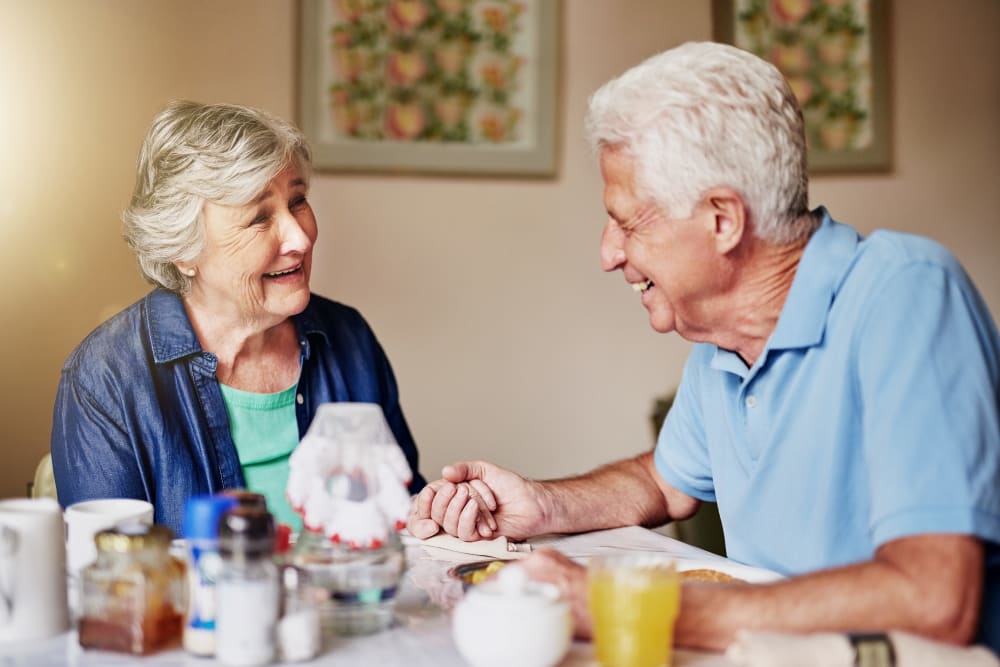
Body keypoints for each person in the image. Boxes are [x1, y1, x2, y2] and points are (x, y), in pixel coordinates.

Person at [408, 41, 1000, 653]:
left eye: (628, 222)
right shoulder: (722, 340)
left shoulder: (905, 293)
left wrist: (632, 608)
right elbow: (665, 484)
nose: (609, 253)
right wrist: (540, 504)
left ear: (723, 220)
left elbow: (935, 598)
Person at [52, 101, 426, 535]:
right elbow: (114, 577)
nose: (301, 238)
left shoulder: (349, 338)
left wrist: (441, 511)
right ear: (183, 251)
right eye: (259, 216)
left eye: (298, 200)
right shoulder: (105, 377)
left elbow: (400, 516)